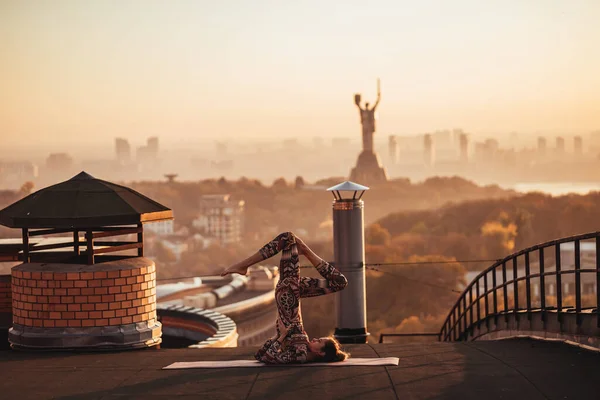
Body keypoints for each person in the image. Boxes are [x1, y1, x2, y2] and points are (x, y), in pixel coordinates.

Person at [221, 232, 350, 364]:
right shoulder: (305, 348)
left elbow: (265, 358)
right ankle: (303, 250)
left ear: (320, 353)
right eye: (319, 339)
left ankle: (245, 265)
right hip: (293, 290)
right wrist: (279, 336)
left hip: (287, 295)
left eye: (319, 341)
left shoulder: (301, 355)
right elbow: (259, 356)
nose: (316, 339)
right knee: (340, 282)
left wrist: (280, 336)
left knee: (288, 238)